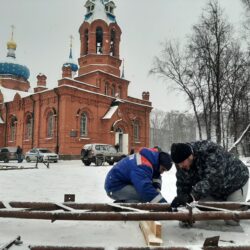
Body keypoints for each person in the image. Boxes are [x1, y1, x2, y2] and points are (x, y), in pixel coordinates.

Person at [170, 140, 249, 209]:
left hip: (235, 183)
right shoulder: (181, 163)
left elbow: (213, 179)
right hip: (216, 191)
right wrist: (182, 200)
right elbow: (182, 184)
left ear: (190, 156)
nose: (180, 166)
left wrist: (191, 196)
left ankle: (246, 207)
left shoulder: (210, 150)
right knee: (202, 207)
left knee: (230, 219)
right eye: (178, 164)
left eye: (182, 163)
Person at [104, 147, 173, 203]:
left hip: (122, 183)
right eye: (163, 169)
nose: (162, 172)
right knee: (144, 196)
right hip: (115, 187)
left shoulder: (152, 159)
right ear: (159, 163)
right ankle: (124, 205)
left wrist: (156, 190)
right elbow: (144, 188)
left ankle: (126, 201)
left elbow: (156, 175)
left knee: (150, 195)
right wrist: (162, 204)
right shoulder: (142, 165)